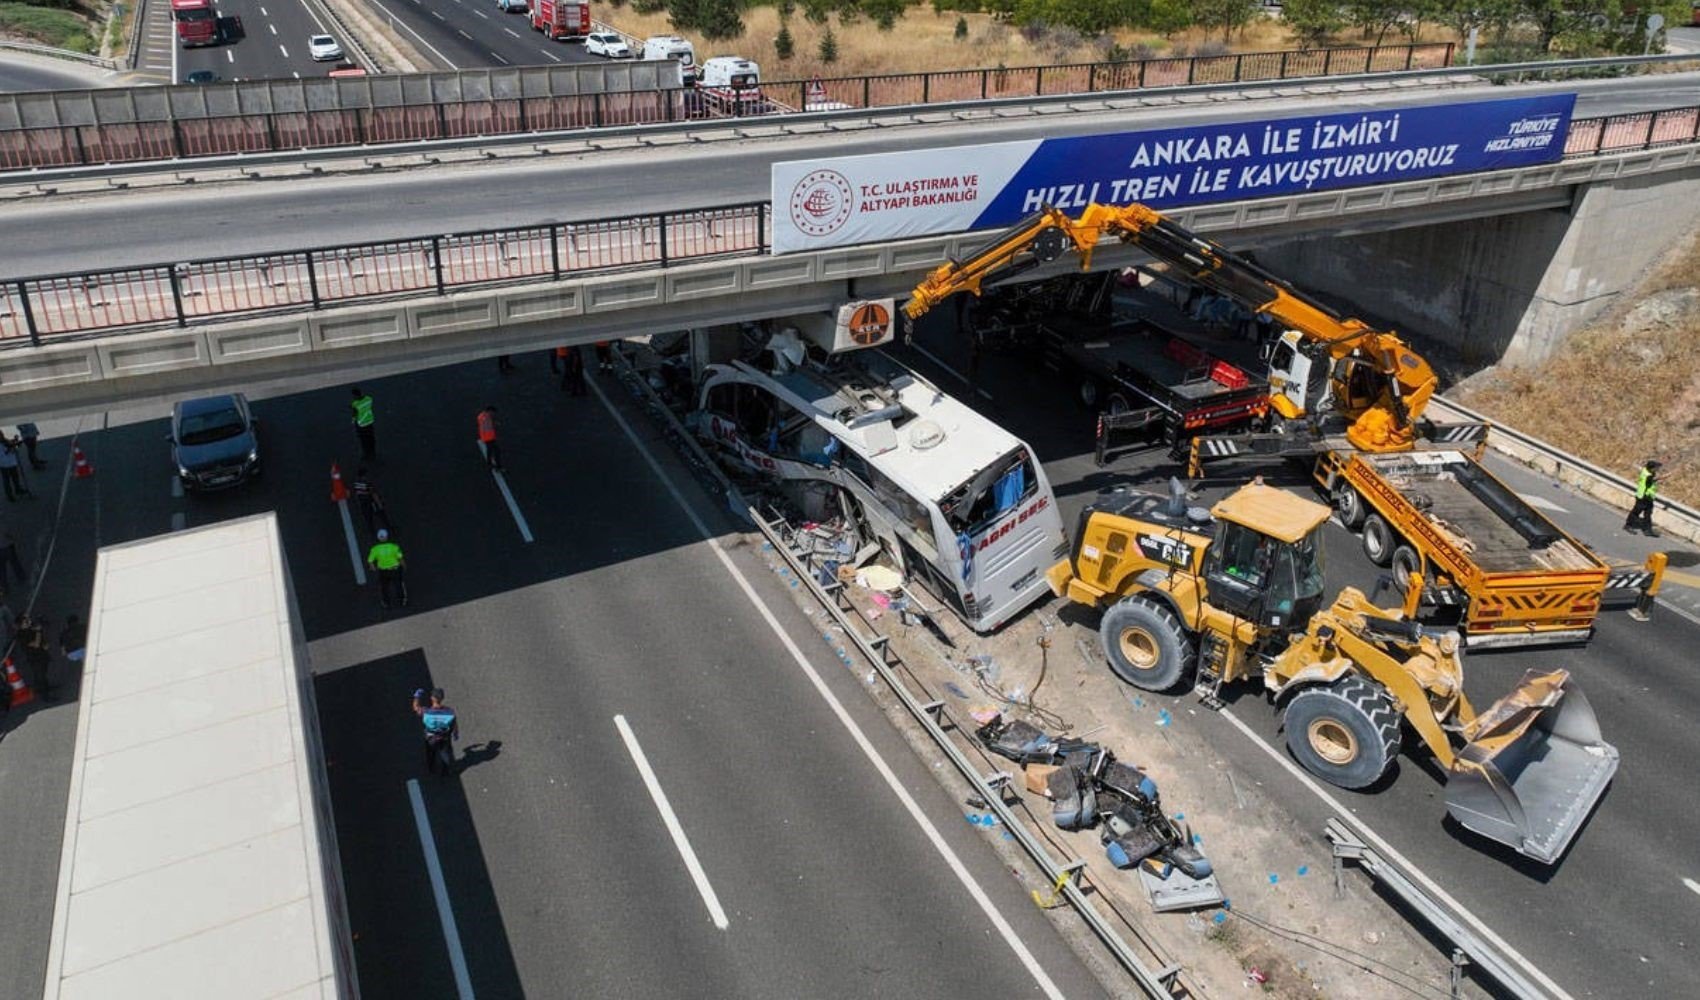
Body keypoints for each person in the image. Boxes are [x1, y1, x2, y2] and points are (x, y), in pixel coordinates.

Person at [414, 687, 459, 776]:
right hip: (444, 737)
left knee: (430, 753)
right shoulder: (450, 712)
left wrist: (417, 696)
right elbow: (454, 723)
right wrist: (455, 733)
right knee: (445, 753)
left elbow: (416, 707)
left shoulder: (426, 711)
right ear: (442, 698)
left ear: (432, 698)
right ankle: (445, 771)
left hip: (430, 737)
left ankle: (431, 768)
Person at [14, 612, 53, 702]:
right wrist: (38, 632)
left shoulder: (31, 629)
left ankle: (45, 688)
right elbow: (35, 644)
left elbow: (41, 641)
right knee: (40, 675)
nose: (29, 622)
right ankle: (45, 695)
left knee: (43, 673)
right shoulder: (22, 635)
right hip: (35, 658)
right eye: (25, 621)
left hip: (42, 655)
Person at [366, 529, 408, 608]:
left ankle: (386, 602)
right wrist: (404, 565)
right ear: (387, 537)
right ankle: (403, 601)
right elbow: (400, 558)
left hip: (383, 571)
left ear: (378, 538)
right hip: (395, 569)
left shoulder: (375, 549)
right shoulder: (394, 547)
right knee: (399, 585)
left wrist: (373, 567)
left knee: (384, 587)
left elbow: (370, 561)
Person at [1624, 459, 1663, 536]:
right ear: (1652, 468)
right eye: (1656, 467)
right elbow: (1651, 480)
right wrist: (1661, 478)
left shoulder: (1646, 471)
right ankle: (1628, 525)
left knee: (1648, 514)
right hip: (1643, 497)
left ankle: (1647, 530)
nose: (1658, 469)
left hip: (1648, 497)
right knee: (1636, 513)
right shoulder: (1648, 475)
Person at [350, 466, 390, 537]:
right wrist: (379, 504)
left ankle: (372, 532)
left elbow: (357, 494)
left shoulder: (356, 484)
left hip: (363, 503)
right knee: (381, 515)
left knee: (368, 519)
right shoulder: (367, 483)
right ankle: (389, 528)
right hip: (371, 502)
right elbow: (373, 493)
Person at [349, 387, 377, 463]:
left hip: (361, 423)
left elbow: (355, 413)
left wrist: (353, 420)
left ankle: (366, 454)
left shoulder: (355, 404)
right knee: (371, 437)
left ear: (355, 396)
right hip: (370, 420)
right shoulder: (369, 399)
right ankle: (373, 451)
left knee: (363, 440)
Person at [0, 435, 29, 502]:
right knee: (7, 480)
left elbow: (9, 444)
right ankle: (9, 495)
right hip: (4, 464)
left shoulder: (4, 441)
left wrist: (14, 441)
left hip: (12, 462)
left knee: (15, 477)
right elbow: (6, 451)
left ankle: (18, 489)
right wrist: (13, 446)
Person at [476, 405, 502, 470]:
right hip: (489, 437)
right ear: (490, 411)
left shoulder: (481, 416)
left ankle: (490, 464)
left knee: (490, 451)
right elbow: (488, 426)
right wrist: (495, 425)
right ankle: (497, 465)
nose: (493, 414)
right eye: (493, 412)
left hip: (485, 437)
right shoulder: (486, 418)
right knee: (496, 451)